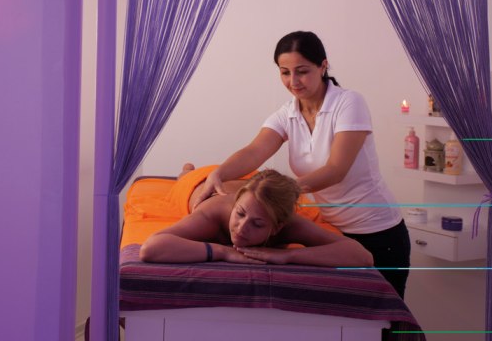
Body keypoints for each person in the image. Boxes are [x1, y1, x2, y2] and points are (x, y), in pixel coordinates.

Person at [190, 30, 410, 297]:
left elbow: (336, 170)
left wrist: (278, 194)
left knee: (385, 317)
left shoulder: (349, 103)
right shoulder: (288, 114)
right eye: (285, 72)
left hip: (378, 231)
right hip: (331, 232)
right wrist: (219, 174)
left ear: (323, 66)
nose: (293, 81)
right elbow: (255, 151)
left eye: (302, 71)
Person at [139, 168, 373, 267]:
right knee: (186, 177)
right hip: (199, 185)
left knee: (258, 190)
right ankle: (187, 169)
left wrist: (288, 256)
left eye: (258, 224)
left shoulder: (289, 224)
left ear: (277, 227)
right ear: (236, 205)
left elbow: (362, 256)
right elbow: (151, 248)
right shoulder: (212, 215)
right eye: (240, 214)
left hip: (251, 184)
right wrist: (222, 252)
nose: (241, 228)